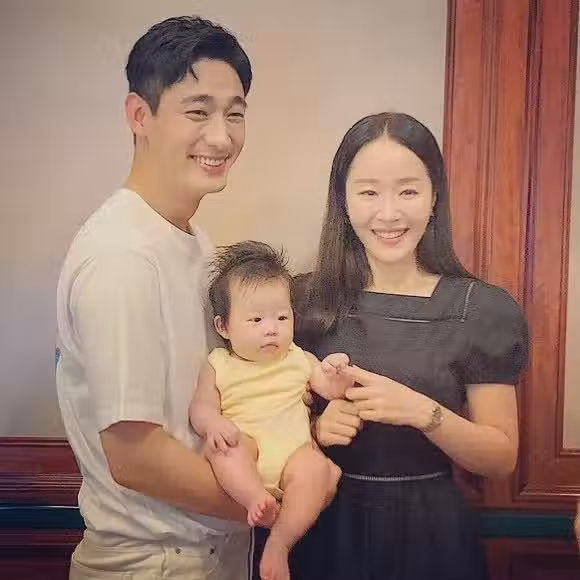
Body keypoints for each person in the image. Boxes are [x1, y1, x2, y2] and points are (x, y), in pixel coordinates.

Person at [56, 15, 259, 579]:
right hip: (152, 564)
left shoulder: (193, 240)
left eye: (235, 113)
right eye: (197, 112)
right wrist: (274, 503)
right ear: (139, 115)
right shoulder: (122, 252)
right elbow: (137, 456)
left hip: (210, 553)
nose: (221, 137)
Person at [288, 112, 529, 580]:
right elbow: (255, 415)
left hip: (432, 534)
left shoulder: (482, 309)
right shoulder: (298, 303)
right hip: (322, 523)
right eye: (368, 192)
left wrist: (423, 412)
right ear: (342, 200)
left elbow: (500, 458)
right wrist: (315, 430)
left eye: (408, 191)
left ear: (434, 195)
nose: (389, 214)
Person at [190, 240, 347, 580]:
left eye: (282, 317)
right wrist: (213, 424)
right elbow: (201, 407)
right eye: (256, 319)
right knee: (225, 449)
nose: (272, 328)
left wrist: (337, 372)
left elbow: (330, 389)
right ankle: (255, 499)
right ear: (223, 327)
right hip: (247, 448)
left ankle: (280, 544)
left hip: (294, 454)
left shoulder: (298, 357)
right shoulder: (218, 364)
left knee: (317, 468)